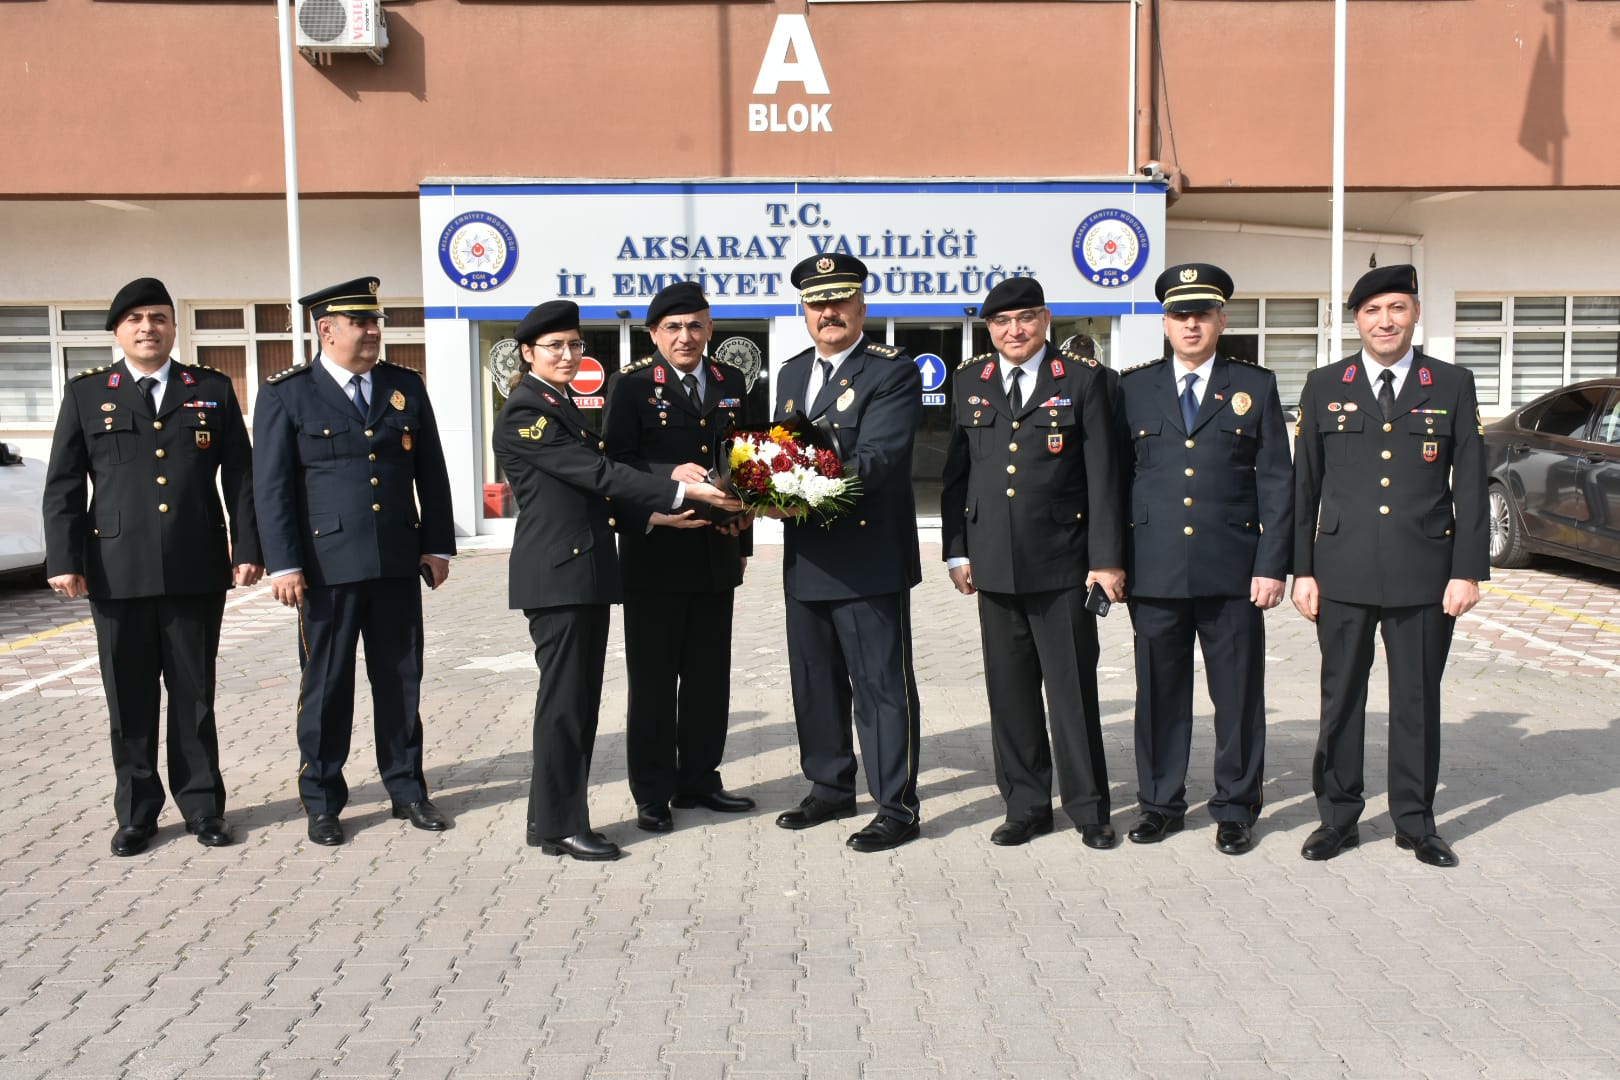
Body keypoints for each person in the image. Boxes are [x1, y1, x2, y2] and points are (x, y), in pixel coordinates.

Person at [493, 300, 741, 861]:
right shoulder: (525, 411)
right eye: (554, 346)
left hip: (582, 571)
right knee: (566, 708)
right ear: (529, 353)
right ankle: (562, 825)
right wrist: (683, 492)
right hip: (561, 575)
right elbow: (598, 473)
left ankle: (547, 821)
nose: (567, 354)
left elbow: (594, 488)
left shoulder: (557, 404)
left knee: (574, 704)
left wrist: (652, 515)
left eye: (575, 345)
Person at [43, 276, 263, 855]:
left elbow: (241, 476)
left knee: (193, 695)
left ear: (173, 326)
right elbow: (64, 484)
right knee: (129, 696)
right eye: (136, 318)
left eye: (160, 317)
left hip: (195, 565)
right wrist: (64, 558)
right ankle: (137, 813)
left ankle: (202, 808)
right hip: (116, 569)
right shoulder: (88, 393)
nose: (149, 328)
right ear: (117, 331)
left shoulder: (210, 388)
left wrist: (248, 549)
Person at [1291, 263, 1489, 868]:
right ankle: (1338, 817)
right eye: (1373, 311)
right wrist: (1302, 569)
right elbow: (1305, 487)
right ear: (1357, 320)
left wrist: (1467, 570)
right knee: (1341, 698)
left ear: (1415, 314)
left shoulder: (1451, 383)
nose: (1386, 321)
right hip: (1342, 570)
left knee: (1416, 701)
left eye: (1397, 308)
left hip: (1423, 573)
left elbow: (1473, 484)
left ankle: (1415, 821)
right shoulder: (1325, 384)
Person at [252, 277, 456, 847]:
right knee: (327, 686)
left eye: (375, 323)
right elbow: (271, 488)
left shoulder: (402, 386)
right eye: (360, 324)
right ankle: (322, 800)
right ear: (326, 330)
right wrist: (284, 564)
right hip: (324, 569)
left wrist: (436, 545)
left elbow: (431, 473)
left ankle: (407, 789)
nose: (372, 332)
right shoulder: (288, 393)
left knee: (400, 682)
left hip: (395, 562)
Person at [940, 278, 1125, 849]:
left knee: (1071, 693)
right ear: (988, 328)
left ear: (1045, 319)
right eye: (1001, 322)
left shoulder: (1085, 381)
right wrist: (957, 549)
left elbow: (1105, 477)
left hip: (1064, 565)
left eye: (1024, 318)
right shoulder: (971, 380)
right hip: (992, 565)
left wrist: (1107, 560)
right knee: (1010, 693)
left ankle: (1090, 807)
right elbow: (955, 474)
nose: (1014, 331)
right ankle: (1025, 805)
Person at [1116, 264, 1293, 856]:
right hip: (1155, 570)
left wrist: (1273, 565)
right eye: (1179, 315)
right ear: (1164, 323)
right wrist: (1111, 562)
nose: (1191, 324)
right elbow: (1115, 483)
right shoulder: (1132, 388)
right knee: (1160, 695)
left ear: (1221, 319)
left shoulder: (1256, 386)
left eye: (1202, 314)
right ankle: (1160, 804)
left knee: (1238, 697)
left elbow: (1276, 485)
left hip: (1233, 572)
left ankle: (1236, 807)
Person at [771, 253, 925, 853]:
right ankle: (830, 786)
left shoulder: (891, 370)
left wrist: (794, 496)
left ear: (862, 306)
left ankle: (897, 806)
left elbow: (879, 460)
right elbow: (776, 457)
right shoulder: (788, 374)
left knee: (881, 687)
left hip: (867, 559)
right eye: (817, 303)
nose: (828, 312)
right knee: (815, 682)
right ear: (802, 311)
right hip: (807, 558)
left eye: (839, 301)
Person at [602, 282, 756, 834]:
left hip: (716, 554)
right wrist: (666, 473)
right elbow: (614, 467)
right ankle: (652, 792)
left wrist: (742, 539)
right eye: (673, 327)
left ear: (710, 329)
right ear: (654, 334)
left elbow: (747, 463)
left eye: (695, 326)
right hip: (655, 555)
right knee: (654, 681)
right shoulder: (632, 385)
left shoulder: (731, 381)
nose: (685, 336)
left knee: (710, 678)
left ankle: (700, 779)